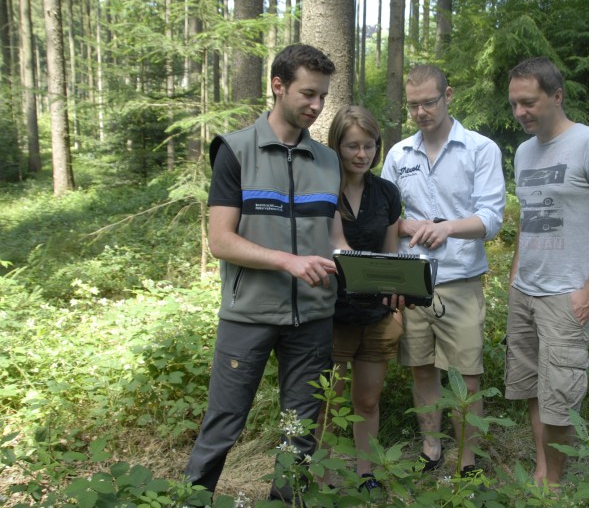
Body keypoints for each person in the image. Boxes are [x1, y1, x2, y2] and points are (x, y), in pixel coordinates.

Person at [185, 44, 348, 503]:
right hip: (249, 314)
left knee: (299, 433)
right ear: (278, 86)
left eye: (322, 97)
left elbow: (335, 237)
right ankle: (192, 500)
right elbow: (221, 240)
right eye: (308, 94)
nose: (316, 106)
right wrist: (288, 261)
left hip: (314, 317)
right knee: (223, 425)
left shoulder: (328, 160)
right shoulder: (235, 151)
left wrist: (377, 270)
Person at [505, 57, 589, 488]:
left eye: (529, 102)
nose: (520, 112)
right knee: (531, 386)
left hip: (568, 293)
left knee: (559, 392)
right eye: (514, 104)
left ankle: (553, 483)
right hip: (526, 288)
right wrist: (514, 274)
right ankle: (544, 468)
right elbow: (530, 217)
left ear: (557, 96)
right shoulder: (524, 152)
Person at [380, 64, 506, 477]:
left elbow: (491, 218)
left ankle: (468, 459)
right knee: (421, 369)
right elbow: (382, 216)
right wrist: (407, 225)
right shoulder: (399, 154)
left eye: (429, 102)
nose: (420, 112)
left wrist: (448, 227)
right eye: (413, 105)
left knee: (466, 375)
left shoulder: (479, 149)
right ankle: (431, 448)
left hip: (460, 278)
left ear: (448, 95)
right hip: (412, 280)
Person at [319, 105, 404, 494]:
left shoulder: (386, 193)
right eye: (353, 146)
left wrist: (396, 301)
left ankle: (366, 474)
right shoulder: (320, 190)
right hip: (330, 316)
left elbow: (389, 258)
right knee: (326, 405)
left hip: (376, 317)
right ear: (336, 145)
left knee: (367, 402)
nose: (361, 154)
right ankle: (318, 477)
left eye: (369, 146)